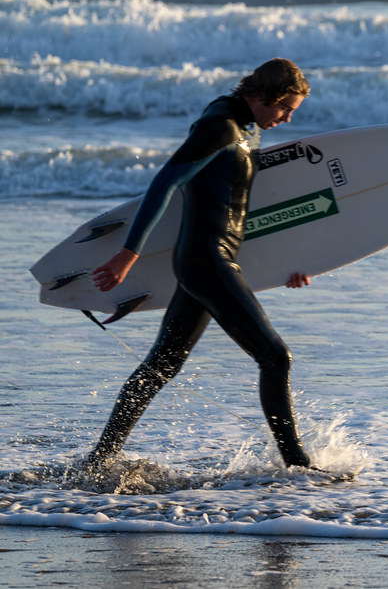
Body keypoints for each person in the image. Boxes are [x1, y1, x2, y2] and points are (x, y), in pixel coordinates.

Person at [88, 58, 316, 469]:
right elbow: (164, 183)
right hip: (206, 261)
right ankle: (298, 465)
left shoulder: (245, 126)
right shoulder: (220, 126)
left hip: (214, 260)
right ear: (265, 95)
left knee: (163, 364)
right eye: (286, 108)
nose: (287, 118)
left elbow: (243, 207)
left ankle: (99, 459)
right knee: (275, 357)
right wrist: (129, 253)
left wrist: (289, 262)